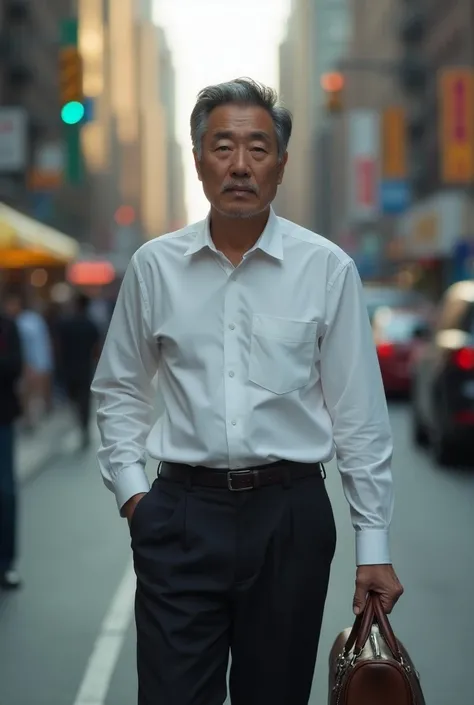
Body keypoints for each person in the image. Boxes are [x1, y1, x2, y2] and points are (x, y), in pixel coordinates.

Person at [92, 78, 403, 705]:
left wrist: (374, 547)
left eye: (258, 149)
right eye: (223, 146)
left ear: (281, 165)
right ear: (199, 159)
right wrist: (135, 498)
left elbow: (359, 417)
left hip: (289, 519)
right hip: (179, 516)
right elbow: (119, 388)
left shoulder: (327, 270)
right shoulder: (155, 267)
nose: (240, 165)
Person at [56, 294, 100, 448]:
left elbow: (59, 347)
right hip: (85, 367)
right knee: (84, 399)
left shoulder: (66, 324)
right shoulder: (91, 324)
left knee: (74, 398)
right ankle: (84, 425)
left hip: (69, 368)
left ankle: (80, 423)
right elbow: (97, 348)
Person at [0, 310, 23, 589]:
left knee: (5, 492)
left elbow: (13, 366)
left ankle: (6, 563)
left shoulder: (7, 326)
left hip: (2, 419)